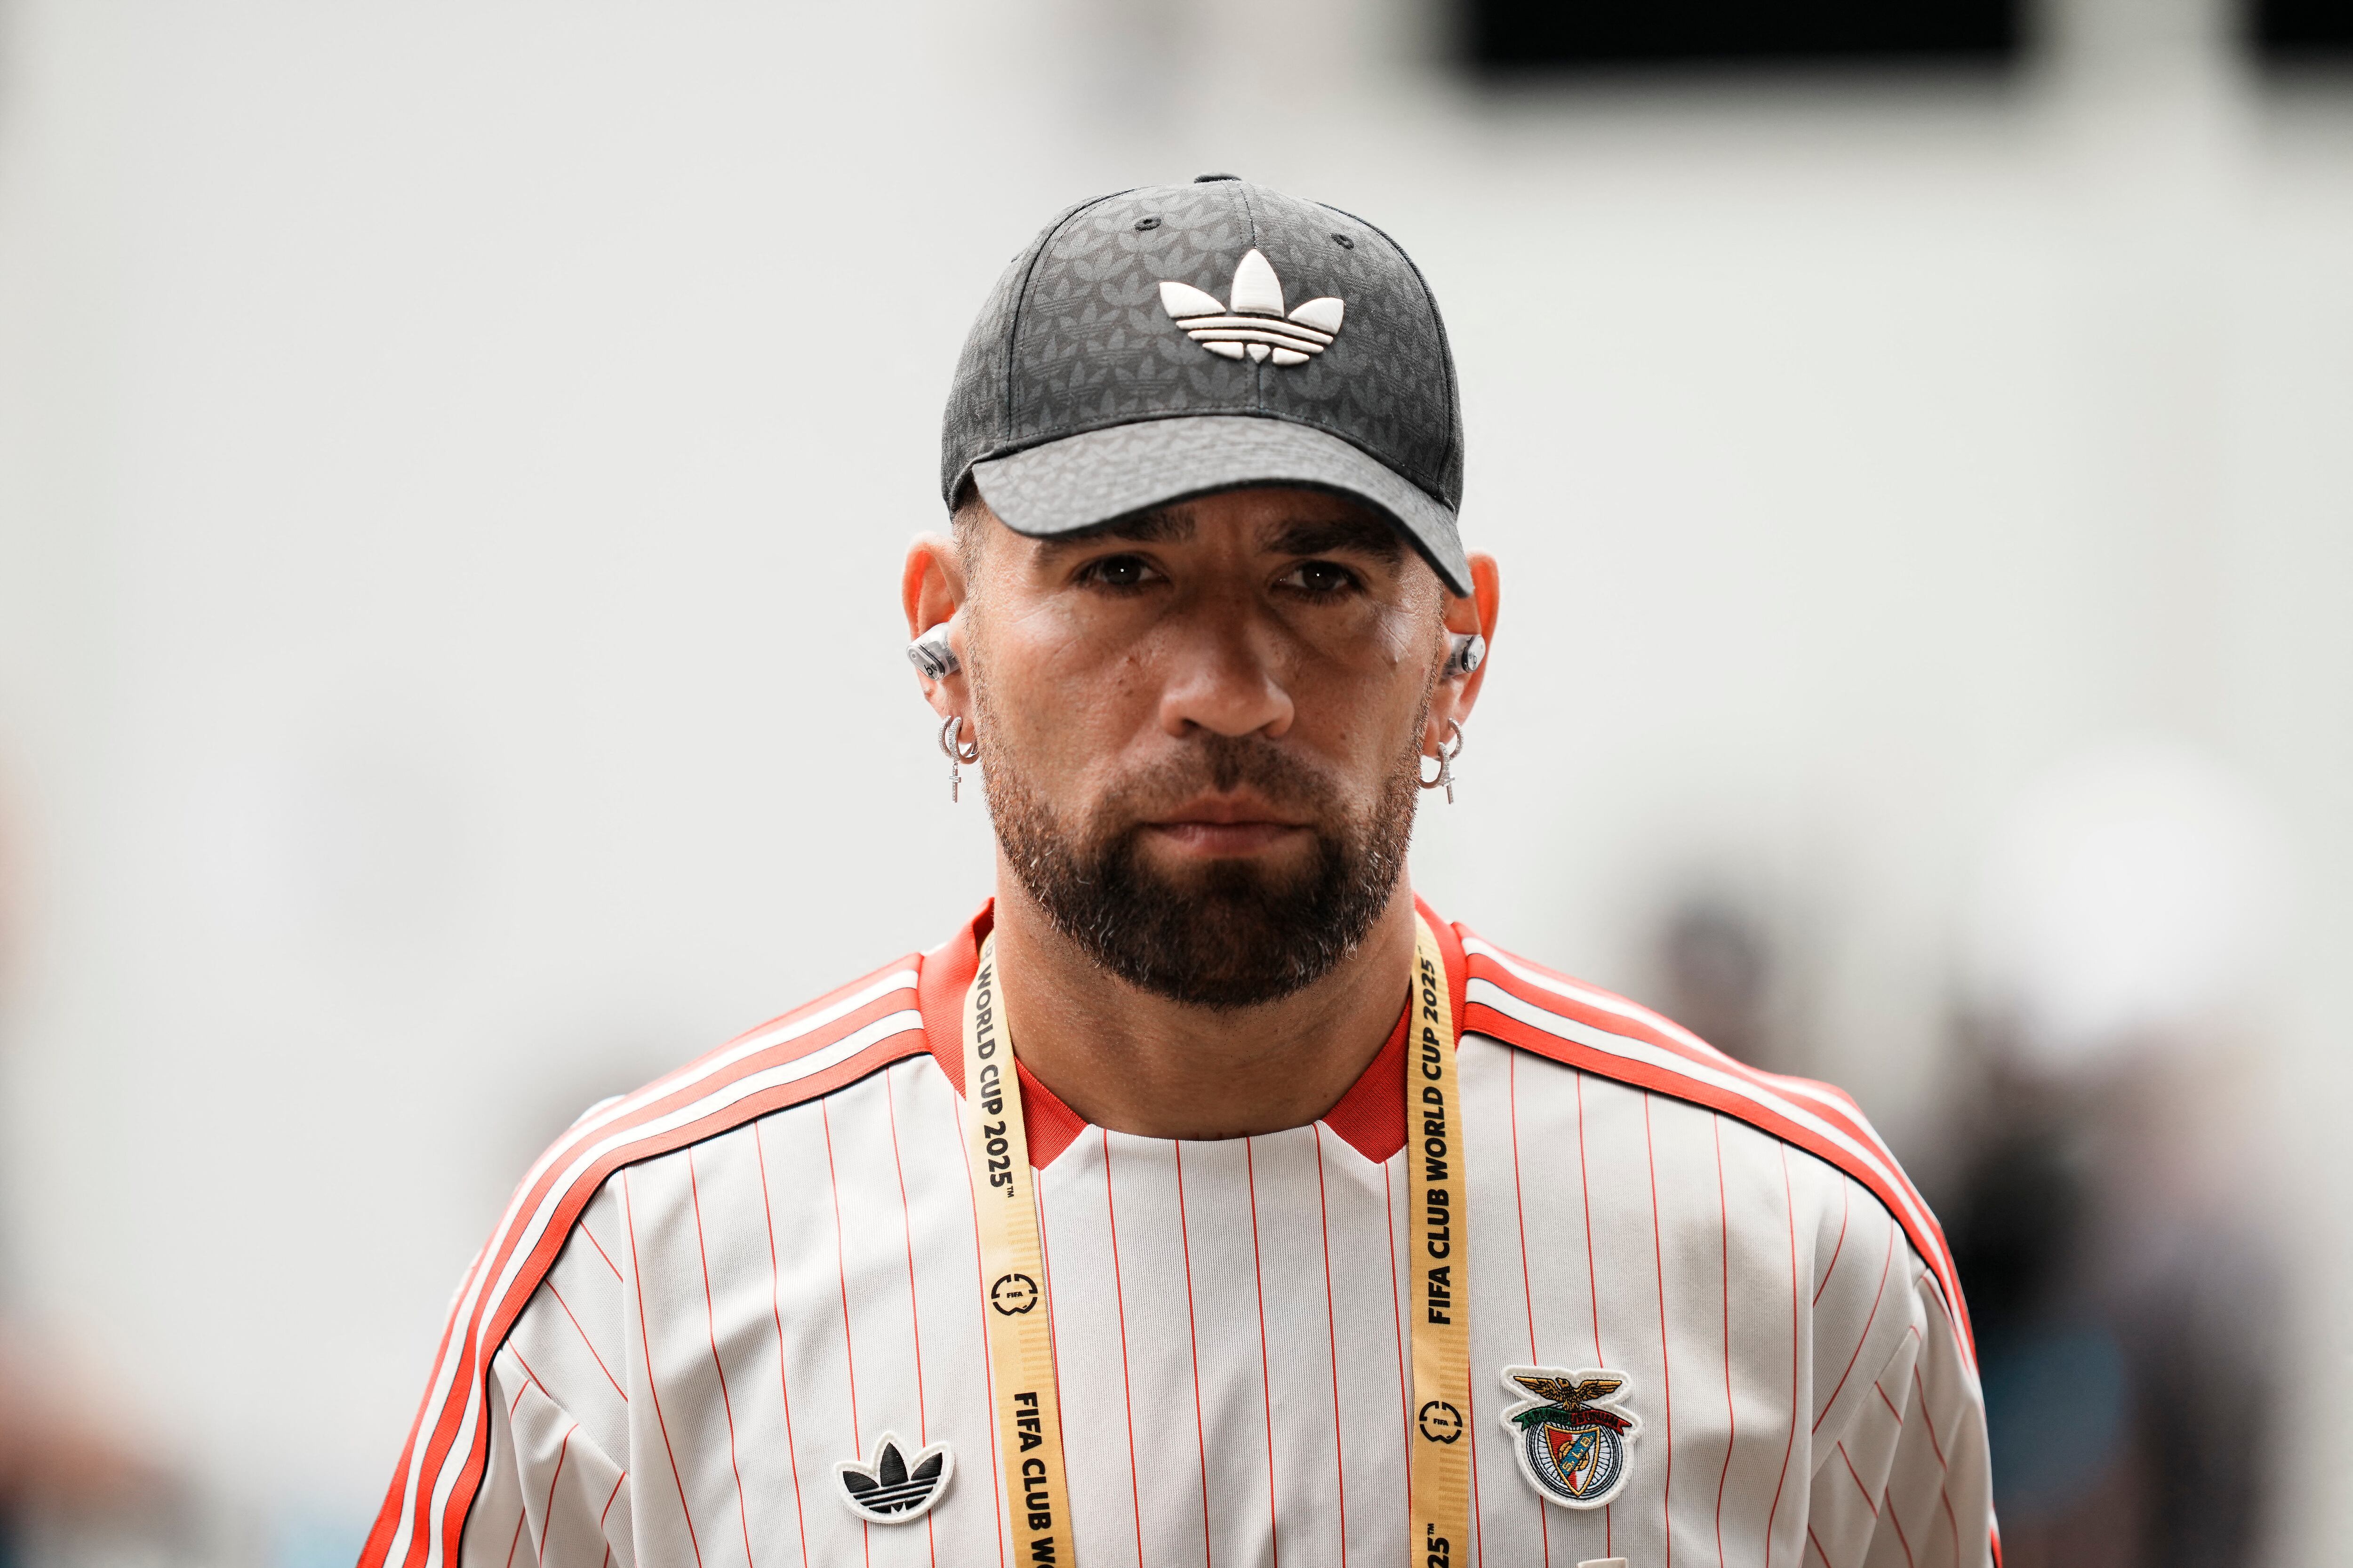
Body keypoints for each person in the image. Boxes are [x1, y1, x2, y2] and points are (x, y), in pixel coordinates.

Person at [361, 176, 1993, 1568]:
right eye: (1124, 569)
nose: (1228, 684)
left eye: (1321, 573)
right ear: (942, 636)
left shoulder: (1791, 1253)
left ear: (1460, 653)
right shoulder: (634, 1276)